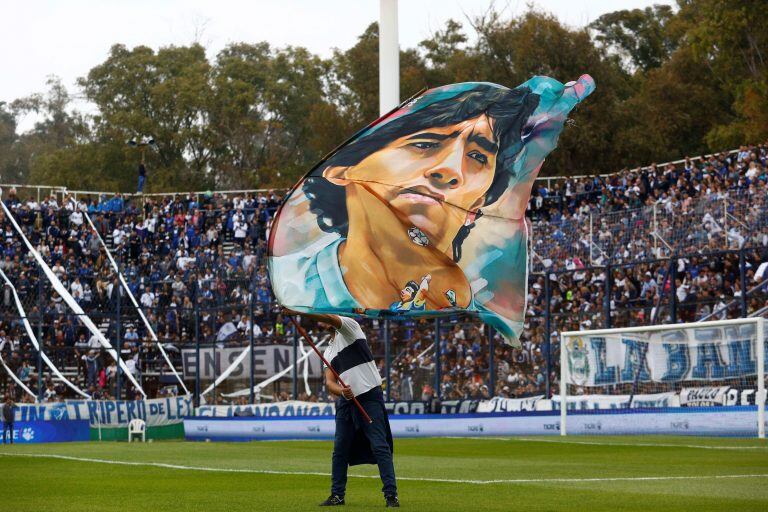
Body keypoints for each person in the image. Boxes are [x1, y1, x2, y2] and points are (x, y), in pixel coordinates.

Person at [285, 308, 398, 508]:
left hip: (369, 396)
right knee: (340, 450)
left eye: (324, 317)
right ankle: (337, 495)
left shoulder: (350, 327)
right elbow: (329, 383)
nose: (323, 321)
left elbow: (328, 317)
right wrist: (341, 391)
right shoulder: (328, 350)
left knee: (380, 446)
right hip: (346, 402)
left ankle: (391, 495)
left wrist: (298, 312)